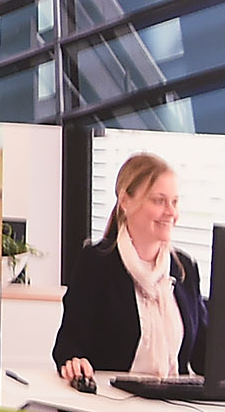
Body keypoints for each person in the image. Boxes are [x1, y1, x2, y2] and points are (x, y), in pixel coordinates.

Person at [53, 153, 204, 385]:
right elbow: (68, 345)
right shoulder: (97, 262)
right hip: (113, 398)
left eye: (174, 202)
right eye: (159, 201)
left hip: (174, 400)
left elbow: (205, 355)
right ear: (125, 201)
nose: (171, 212)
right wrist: (74, 362)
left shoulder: (185, 269)